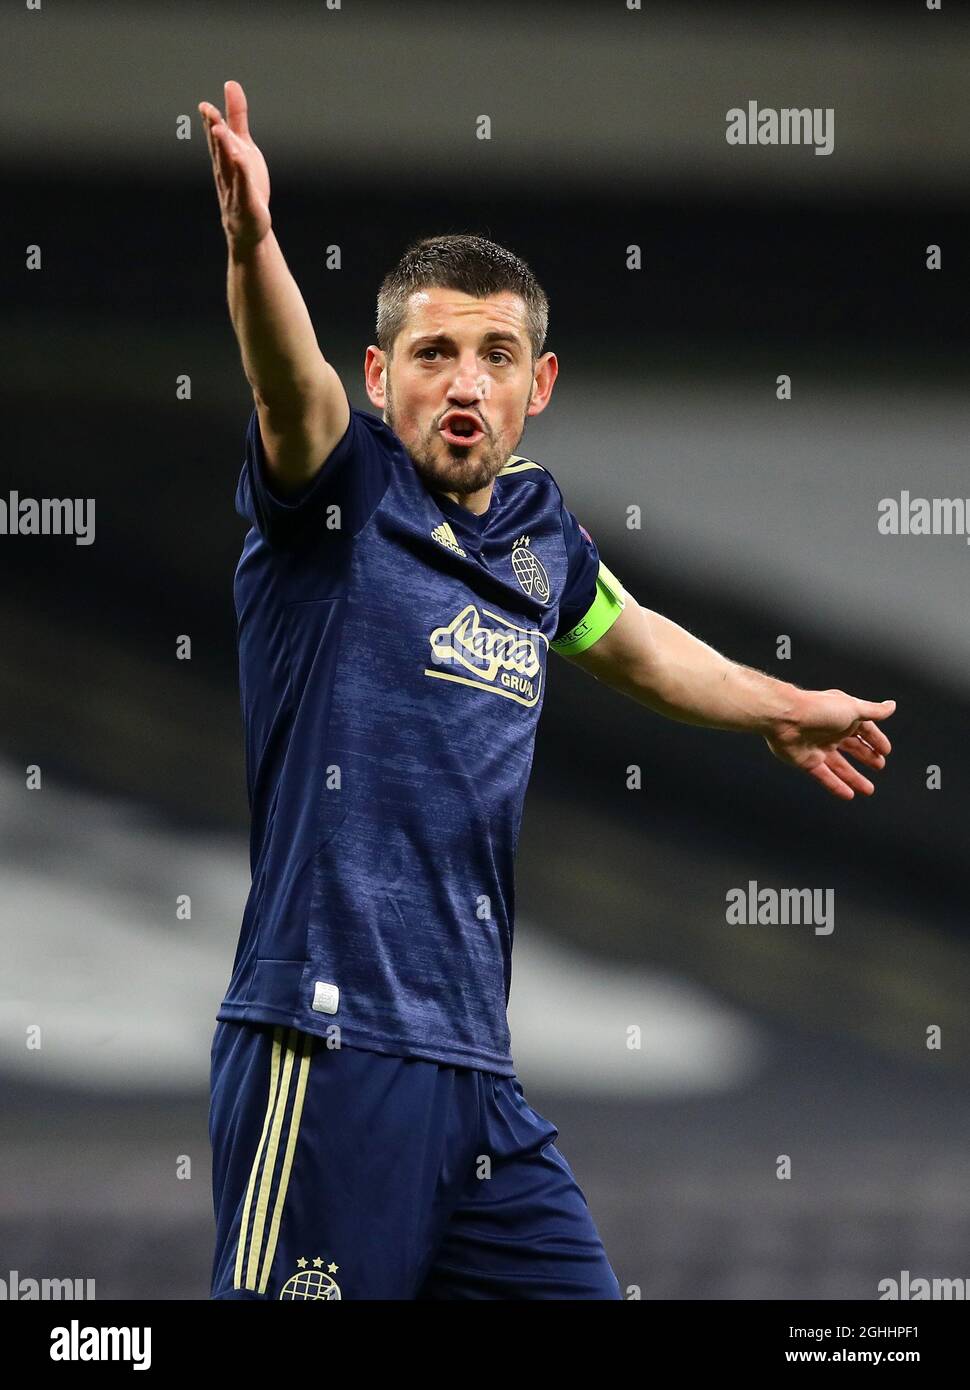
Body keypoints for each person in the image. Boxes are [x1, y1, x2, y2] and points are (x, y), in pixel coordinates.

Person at [199, 80, 896, 1301]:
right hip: (326, 1044)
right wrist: (256, 250)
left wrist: (777, 705)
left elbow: (632, 643)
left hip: (476, 1071)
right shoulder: (336, 492)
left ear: (539, 385)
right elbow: (282, 381)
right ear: (379, 374)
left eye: (494, 355)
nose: (462, 381)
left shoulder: (536, 530)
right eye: (432, 353)